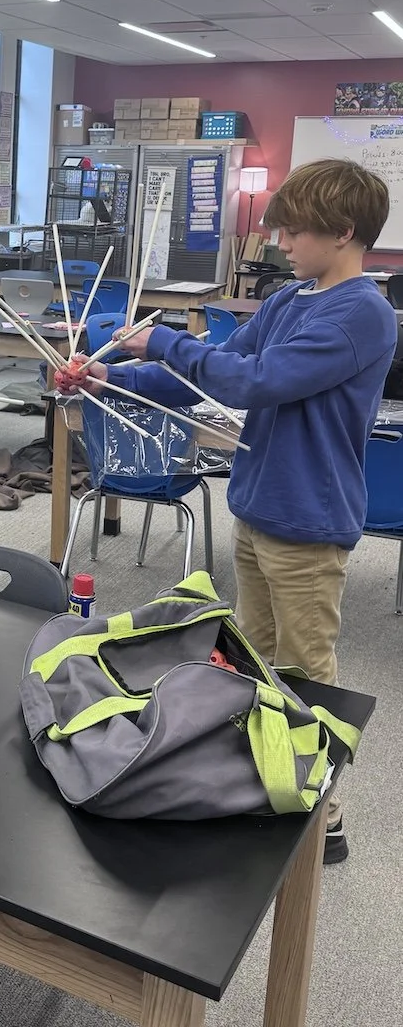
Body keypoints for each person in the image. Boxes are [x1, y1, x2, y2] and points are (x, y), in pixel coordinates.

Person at [57, 158, 397, 864]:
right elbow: (206, 367)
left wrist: (167, 340)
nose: (281, 243)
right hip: (261, 504)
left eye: (295, 231)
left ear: (342, 232)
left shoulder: (363, 313)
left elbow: (257, 381)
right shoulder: (289, 299)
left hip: (310, 519)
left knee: (306, 667)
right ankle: (257, 772)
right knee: (253, 656)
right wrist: (110, 374)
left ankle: (321, 808)